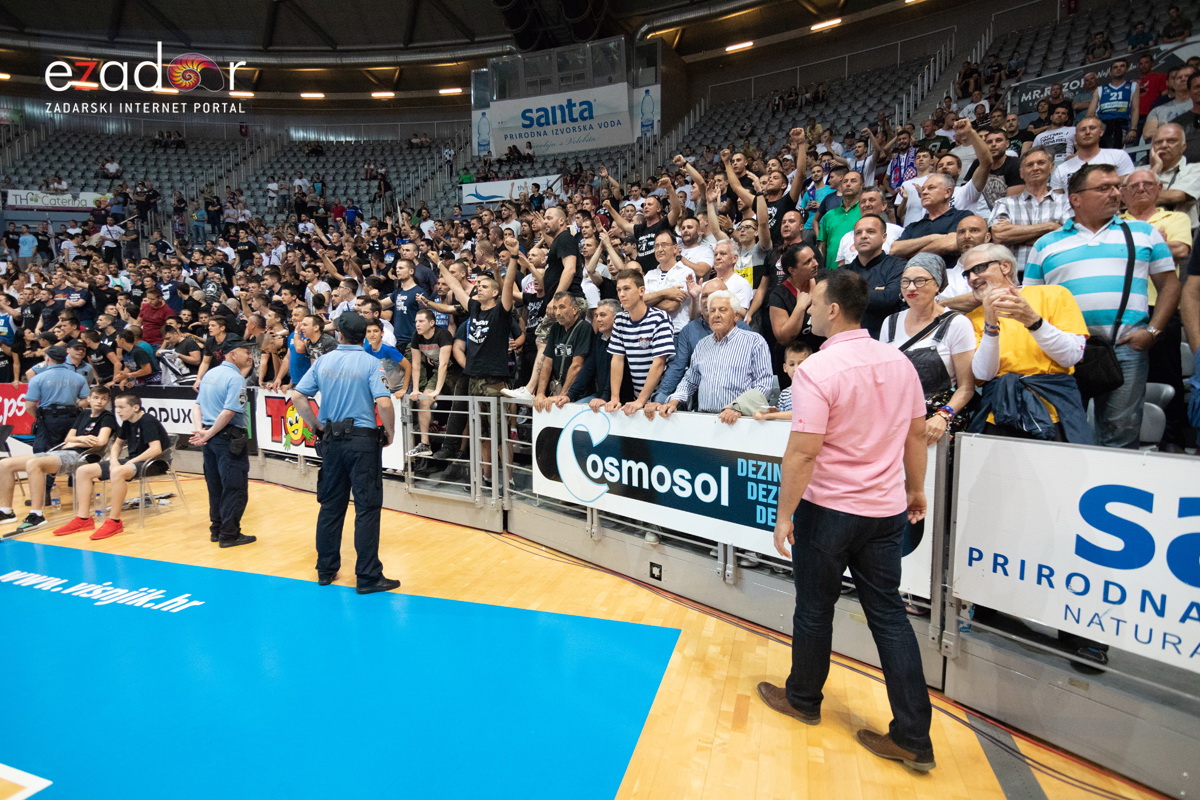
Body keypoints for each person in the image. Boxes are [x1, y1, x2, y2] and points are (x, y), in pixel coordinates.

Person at [758, 270, 934, 772]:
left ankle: (804, 699)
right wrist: (915, 489)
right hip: (884, 512)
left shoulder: (819, 369)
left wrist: (784, 514)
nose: (809, 312)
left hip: (830, 509)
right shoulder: (899, 362)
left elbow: (803, 453)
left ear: (833, 309)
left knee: (815, 608)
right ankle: (913, 737)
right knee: (890, 617)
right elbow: (915, 434)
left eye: (814, 305)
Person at [1025, 164, 1181, 448]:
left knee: (1120, 434)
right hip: (1064, 352)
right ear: (1076, 198)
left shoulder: (1143, 232)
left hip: (1124, 347)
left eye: (1116, 187)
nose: (1115, 193)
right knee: (1063, 432)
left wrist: (1153, 331)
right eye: (1103, 188)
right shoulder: (1045, 244)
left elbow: (1170, 285)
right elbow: (1031, 301)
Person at [289, 312, 400, 593]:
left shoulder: (324, 361)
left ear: (338, 333)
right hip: (362, 441)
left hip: (332, 440)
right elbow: (384, 403)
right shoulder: (371, 363)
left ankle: (325, 569)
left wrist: (316, 426)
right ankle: (367, 575)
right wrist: (390, 432)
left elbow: (298, 396)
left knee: (331, 506)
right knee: (367, 507)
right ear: (364, 334)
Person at [878, 254, 977, 445]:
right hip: (897, 421)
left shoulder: (957, 324)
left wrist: (944, 416)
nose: (911, 287)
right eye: (905, 282)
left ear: (937, 285)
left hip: (936, 422)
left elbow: (966, 387)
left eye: (920, 281)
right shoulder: (890, 322)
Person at [52, 393, 171, 541]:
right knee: (83, 471)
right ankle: (83, 519)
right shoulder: (127, 421)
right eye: (116, 408)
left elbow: (155, 449)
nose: (118, 411)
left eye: (122, 407)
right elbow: (117, 444)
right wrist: (114, 460)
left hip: (155, 463)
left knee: (118, 473)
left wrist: (130, 462)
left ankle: (114, 521)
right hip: (132, 461)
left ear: (135, 407)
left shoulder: (147, 421)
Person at [0, 386, 116, 533]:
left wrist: (75, 441)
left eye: (104, 399)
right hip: (63, 452)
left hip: (83, 457)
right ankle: (6, 511)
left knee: (34, 464)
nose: (99, 401)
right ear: (89, 399)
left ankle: (37, 514)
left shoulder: (107, 417)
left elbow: (100, 441)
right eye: (96, 398)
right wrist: (81, 438)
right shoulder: (83, 414)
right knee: (5, 464)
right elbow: (68, 439)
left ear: (107, 401)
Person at [656, 291, 773, 422]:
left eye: (722, 310)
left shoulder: (754, 341)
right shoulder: (702, 345)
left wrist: (737, 408)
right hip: (705, 419)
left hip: (741, 420)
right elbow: (690, 380)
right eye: (712, 311)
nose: (716, 315)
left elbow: (764, 385)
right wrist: (674, 400)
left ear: (735, 315)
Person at [190, 338, 255, 548]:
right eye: (245, 351)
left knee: (215, 485)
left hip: (210, 439)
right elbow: (228, 412)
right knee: (234, 487)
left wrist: (201, 431)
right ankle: (230, 534)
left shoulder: (210, 374)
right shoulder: (235, 379)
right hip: (227, 438)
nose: (249, 355)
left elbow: (197, 406)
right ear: (232, 354)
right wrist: (207, 434)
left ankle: (216, 529)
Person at [989, 147, 1068, 279]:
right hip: (1015, 276)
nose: (1035, 168)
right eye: (1029, 165)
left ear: (1051, 167)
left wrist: (1018, 235)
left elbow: (1068, 237)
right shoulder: (1004, 204)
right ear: (1021, 173)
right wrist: (1050, 226)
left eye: (1041, 163)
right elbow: (1000, 235)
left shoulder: (1066, 202)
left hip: (1057, 272)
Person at [25, 345, 89, 455]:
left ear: (47, 358)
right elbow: (87, 399)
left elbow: (29, 405)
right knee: (69, 451)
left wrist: (40, 417)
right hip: (72, 419)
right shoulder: (78, 377)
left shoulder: (37, 379)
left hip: (48, 419)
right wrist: (75, 405)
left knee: (43, 453)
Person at [1086, 57, 1140, 148]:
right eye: (1115, 67)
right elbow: (1090, 113)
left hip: (1122, 125)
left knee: (1116, 153)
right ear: (1110, 72)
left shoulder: (1133, 86)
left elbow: (1135, 109)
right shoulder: (1100, 89)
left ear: (1126, 69)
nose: (1118, 68)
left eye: (1122, 66)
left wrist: (1133, 129)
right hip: (1102, 126)